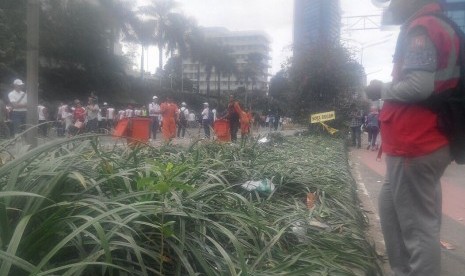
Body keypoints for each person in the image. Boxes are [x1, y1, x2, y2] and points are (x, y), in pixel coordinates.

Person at [365, 1, 458, 275]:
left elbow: (419, 86)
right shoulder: (432, 25)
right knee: (392, 207)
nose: (392, 4)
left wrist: (380, 88)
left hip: (415, 142)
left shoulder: (422, 28)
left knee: (418, 228)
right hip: (415, 142)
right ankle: (402, 270)